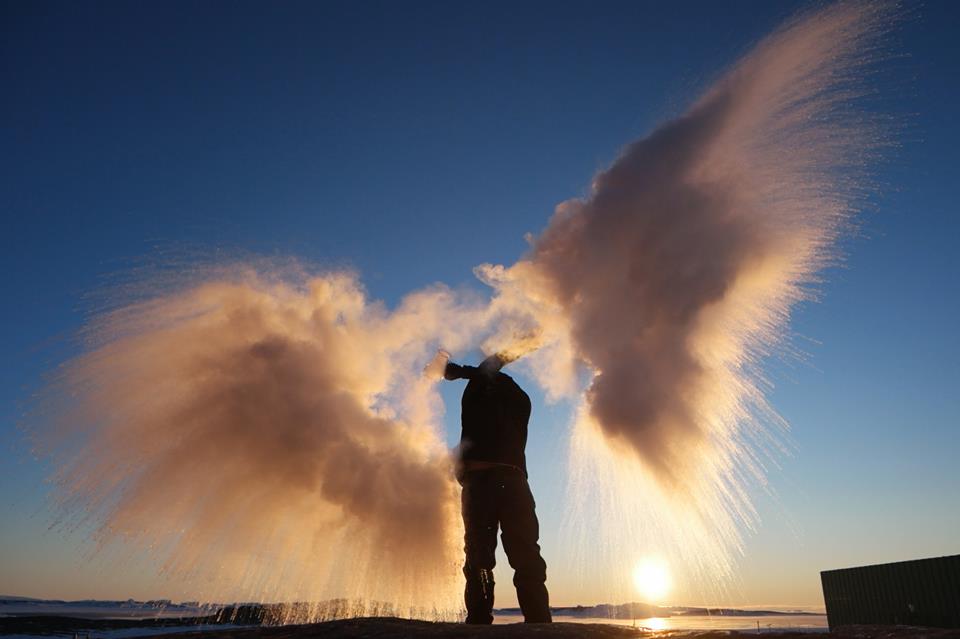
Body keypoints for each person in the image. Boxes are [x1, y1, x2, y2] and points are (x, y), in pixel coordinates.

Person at [443, 353, 552, 624]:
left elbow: (488, 370)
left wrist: (457, 370)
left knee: (490, 557)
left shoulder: (501, 393)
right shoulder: (511, 397)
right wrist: (460, 371)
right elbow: (488, 370)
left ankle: (495, 620)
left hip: (492, 484)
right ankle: (534, 620)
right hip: (504, 484)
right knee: (510, 555)